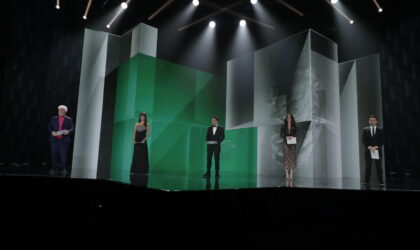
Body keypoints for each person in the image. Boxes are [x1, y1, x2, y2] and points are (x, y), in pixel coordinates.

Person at [48, 105, 74, 176]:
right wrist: (52, 132)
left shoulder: (69, 119)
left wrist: (68, 131)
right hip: (54, 140)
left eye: (62, 110)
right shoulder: (53, 118)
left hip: (64, 140)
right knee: (54, 155)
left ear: (65, 111)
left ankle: (63, 169)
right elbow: (49, 127)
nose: (60, 111)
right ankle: (54, 168)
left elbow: (72, 128)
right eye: (59, 110)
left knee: (63, 155)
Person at [362, 115, 384, 186]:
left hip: (377, 150)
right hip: (368, 151)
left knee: (379, 167)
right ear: (369, 121)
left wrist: (376, 147)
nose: (372, 121)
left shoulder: (380, 130)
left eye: (374, 120)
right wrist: (370, 147)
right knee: (368, 166)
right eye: (371, 120)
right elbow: (364, 140)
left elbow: (382, 141)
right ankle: (366, 180)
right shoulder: (365, 130)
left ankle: (381, 181)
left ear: (376, 121)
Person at [281, 113, 297, 180]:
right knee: (286, 158)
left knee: (292, 158)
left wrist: (292, 136)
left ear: (292, 118)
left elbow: (297, 134)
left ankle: (291, 174)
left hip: (292, 143)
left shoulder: (294, 126)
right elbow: (281, 135)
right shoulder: (284, 126)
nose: (289, 119)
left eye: (290, 117)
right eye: (288, 117)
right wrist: (286, 136)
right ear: (286, 119)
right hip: (286, 143)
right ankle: (287, 174)